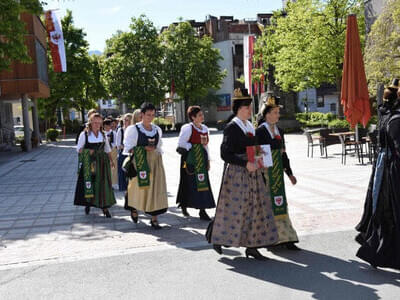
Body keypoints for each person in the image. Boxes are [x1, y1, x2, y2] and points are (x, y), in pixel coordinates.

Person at [210, 88, 278, 260]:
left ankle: (252, 246)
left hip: (252, 173)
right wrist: (245, 163)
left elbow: (254, 149)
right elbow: (225, 154)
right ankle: (216, 237)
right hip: (236, 174)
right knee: (233, 210)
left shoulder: (249, 126)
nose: (250, 110)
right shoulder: (232, 128)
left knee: (254, 209)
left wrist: (261, 161)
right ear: (239, 109)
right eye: (247, 107)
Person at [356, 79, 400, 269]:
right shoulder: (395, 118)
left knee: (385, 209)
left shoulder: (386, 113)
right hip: (392, 168)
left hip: (385, 165)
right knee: (391, 210)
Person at [256, 96, 300, 250]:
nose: (277, 115)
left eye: (277, 112)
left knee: (281, 203)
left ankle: (287, 238)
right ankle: (271, 238)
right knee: (268, 205)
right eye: (275, 112)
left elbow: (283, 154)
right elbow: (257, 154)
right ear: (267, 114)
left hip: (278, 174)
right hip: (266, 173)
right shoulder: (260, 131)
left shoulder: (280, 130)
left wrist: (290, 173)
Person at [123, 103, 168, 229]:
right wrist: (143, 148)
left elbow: (159, 147)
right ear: (141, 115)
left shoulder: (157, 129)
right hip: (139, 161)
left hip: (155, 162)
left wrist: (156, 154)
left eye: (153, 115)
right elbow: (128, 149)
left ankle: (154, 218)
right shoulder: (133, 129)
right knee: (137, 188)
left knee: (155, 189)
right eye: (148, 115)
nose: (151, 117)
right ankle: (134, 209)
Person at [176, 106, 216, 220]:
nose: (202, 117)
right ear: (193, 117)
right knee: (189, 182)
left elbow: (206, 146)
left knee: (202, 182)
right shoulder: (188, 128)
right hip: (190, 159)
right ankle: (184, 204)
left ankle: (202, 210)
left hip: (201, 159)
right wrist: (194, 146)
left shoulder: (205, 128)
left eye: (202, 114)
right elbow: (181, 143)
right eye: (199, 115)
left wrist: (208, 160)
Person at [74, 113, 116, 217]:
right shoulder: (84, 134)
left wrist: (111, 160)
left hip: (102, 163)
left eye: (99, 122)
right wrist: (88, 151)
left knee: (103, 184)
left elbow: (107, 149)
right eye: (95, 122)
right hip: (90, 163)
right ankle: (88, 203)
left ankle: (104, 207)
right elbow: (78, 149)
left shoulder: (103, 134)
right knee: (90, 183)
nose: (97, 124)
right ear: (91, 122)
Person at [116, 113, 133, 191]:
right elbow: (118, 145)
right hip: (123, 153)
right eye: (125, 120)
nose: (126, 122)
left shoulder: (133, 130)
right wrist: (127, 147)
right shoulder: (121, 130)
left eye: (128, 120)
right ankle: (123, 188)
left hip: (132, 154)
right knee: (122, 172)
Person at [104, 118, 119, 188]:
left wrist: (112, 145)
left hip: (113, 150)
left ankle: (114, 183)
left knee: (114, 166)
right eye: (105, 126)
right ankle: (106, 182)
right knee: (105, 167)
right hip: (104, 151)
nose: (107, 127)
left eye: (108, 126)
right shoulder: (102, 133)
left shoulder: (114, 133)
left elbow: (116, 142)